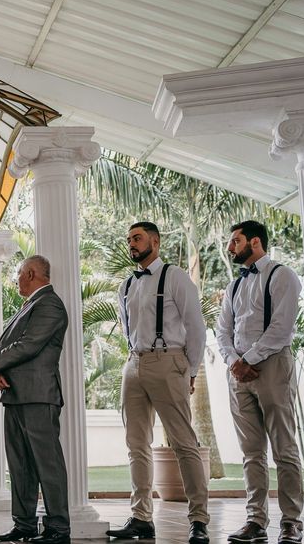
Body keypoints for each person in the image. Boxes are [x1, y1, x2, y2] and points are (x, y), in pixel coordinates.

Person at [106, 222, 210, 544]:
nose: (131, 244)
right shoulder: (126, 285)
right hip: (134, 364)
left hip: (169, 361)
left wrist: (189, 370)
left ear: (155, 240)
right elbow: (127, 327)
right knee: (136, 445)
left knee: (183, 442)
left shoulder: (175, 276)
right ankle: (141, 518)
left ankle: (199, 520)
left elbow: (196, 326)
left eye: (136, 238)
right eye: (128, 240)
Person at [216, 220, 304, 544]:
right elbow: (222, 329)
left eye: (235, 241)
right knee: (251, 452)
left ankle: (291, 522)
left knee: (284, 447)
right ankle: (255, 521)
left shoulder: (283, 275)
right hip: (238, 373)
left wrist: (248, 360)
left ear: (255, 242)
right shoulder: (234, 286)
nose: (230, 247)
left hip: (272, 367)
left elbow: (281, 328)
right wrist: (233, 362)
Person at [0, 255, 71, 544]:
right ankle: (25, 524)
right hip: (15, 394)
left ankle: (58, 528)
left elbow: (29, 345)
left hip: (38, 395)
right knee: (20, 464)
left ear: (31, 273)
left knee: (48, 464)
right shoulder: (30, 305)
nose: (17, 278)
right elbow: (11, 345)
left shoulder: (50, 304)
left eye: (19, 273)